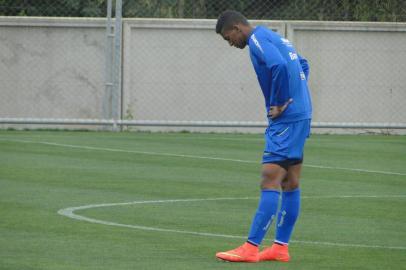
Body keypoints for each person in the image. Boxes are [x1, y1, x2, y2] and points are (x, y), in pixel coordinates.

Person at [214, 10, 312, 263]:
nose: (230, 43)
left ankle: (251, 247)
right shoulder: (274, 37)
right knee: (290, 182)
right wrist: (298, 97)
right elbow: (303, 65)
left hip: (287, 120)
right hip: (301, 115)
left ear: (237, 28)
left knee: (269, 179)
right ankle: (280, 248)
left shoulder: (257, 41)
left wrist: (280, 103)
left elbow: (279, 65)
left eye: (228, 38)